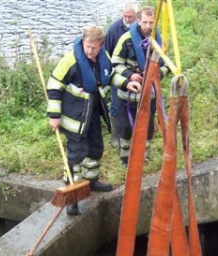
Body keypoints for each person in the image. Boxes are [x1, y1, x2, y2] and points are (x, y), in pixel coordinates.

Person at [46, 25, 141, 216]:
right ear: (83, 42)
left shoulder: (103, 57)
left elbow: (110, 76)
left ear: (101, 46)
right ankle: (72, 196)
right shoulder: (70, 60)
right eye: (88, 46)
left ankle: (91, 181)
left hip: (93, 113)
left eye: (94, 48)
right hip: (74, 117)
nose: (90, 51)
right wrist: (54, 116)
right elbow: (54, 86)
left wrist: (126, 83)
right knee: (76, 155)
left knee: (96, 149)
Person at [111, 5, 169, 166]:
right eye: (145, 22)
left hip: (149, 94)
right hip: (127, 95)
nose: (148, 26)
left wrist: (157, 74)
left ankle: (145, 157)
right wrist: (130, 75)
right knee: (126, 128)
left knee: (148, 127)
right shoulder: (126, 40)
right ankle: (125, 158)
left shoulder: (159, 41)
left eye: (151, 22)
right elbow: (115, 63)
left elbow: (167, 64)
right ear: (138, 21)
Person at [104, 2, 138, 148]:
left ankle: (135, 134)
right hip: (117, 72)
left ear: (136, 15)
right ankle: (116, 136)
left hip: (136, 74)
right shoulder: (113, 29)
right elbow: (106, 52)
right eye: (125, 16)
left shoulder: (141, 28)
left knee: (136, 104)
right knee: (116, 105)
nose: (127, 19)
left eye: (131, 16)